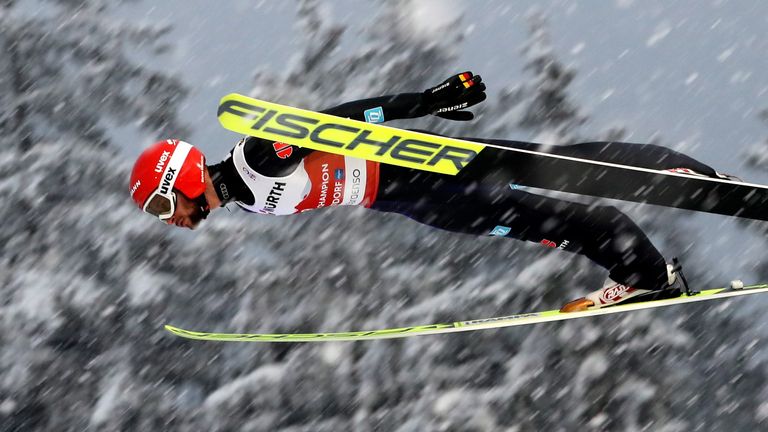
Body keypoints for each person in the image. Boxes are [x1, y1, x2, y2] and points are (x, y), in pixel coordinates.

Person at [128, 72, 733, 312]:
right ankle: (649, 276)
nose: (169, 219)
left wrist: (428, 102)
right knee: (553, 207)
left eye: (162, 204)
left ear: (179, 179)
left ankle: (685, 180)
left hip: (413, 178)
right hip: (406, 199)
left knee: (560, 180)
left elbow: (341, 118)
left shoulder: (256, 159)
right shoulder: (243, 191)